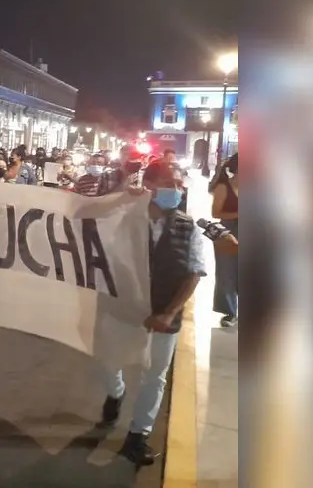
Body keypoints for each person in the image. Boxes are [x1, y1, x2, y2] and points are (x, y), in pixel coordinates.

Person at [99, 160, 208, 466]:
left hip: (163, 313)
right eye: (169, 183)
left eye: (179, 184)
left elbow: (194, 272)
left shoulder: (187, 227)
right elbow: (85, 220)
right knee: (107, 360)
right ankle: (115, 391)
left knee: (155, 375)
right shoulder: (123, 218)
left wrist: (169, 313)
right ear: (149, 185)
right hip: (121, 309)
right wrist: (122, 197)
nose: (176, 190)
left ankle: (137, 436)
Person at [209, 153, 239, 327]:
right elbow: (216, 213)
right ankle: (230, 312)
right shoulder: (223, 187)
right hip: (228, 232)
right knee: (226, 273)